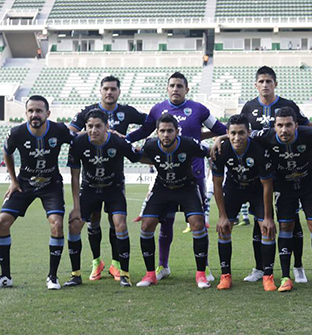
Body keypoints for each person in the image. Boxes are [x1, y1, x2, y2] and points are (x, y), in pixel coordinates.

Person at [127, 72, 226, 281]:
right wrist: (123, 139)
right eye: (172, 85)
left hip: (194, 175)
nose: (175, 89)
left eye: (180, 86)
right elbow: (144, 132)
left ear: (186, 89)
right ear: (167, 88)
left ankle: (204, 268)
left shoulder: (199, 109)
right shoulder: (157, 110)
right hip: (166, 176)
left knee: (199, 223)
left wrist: (216, 138)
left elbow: (220, 129)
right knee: (166, 223)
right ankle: (163, 266)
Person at [68, 75, 146, 282]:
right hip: (90, 186)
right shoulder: (87, 114)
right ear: (100, 91)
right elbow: (69, 133)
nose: (109, 92)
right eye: (106, 89)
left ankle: (119, 267)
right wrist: (87, 137)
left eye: (113, 89)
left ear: (119, 91)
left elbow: (149, 125)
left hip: (114, 184)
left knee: (117, 223)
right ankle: (95, 263)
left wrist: (129, 138)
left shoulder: (126, 114)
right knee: (90, 222)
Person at [240, 66, 311, 284]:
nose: (265, 85)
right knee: (259, 219)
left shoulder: (288, 106)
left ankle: (298, 267)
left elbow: (307, 130)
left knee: (291, 221)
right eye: (261, 81)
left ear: (275, 84)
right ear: (255, 84)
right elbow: (239, 133)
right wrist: (219, 140)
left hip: (286, 172)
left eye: (268, 81)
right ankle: (260, 268)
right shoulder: (249, 107)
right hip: (258, 173)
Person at [250, 106, 312, 292]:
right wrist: (221, 140)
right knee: (285, 227)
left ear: (296, 125)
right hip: (284, 188)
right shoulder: (264, 135)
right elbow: (241, 136)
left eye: (289, 125)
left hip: (309, 186)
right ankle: (286, 278)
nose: (284, 129)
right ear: (274, 126)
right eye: (280, 125)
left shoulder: (309, 134)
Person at [0, 95, 76, 290]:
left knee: (57, 225)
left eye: (39, 111)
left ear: (47, 113)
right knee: (2, 222)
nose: (35, 114)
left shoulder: (58, 130)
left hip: (51, 184)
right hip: (24, 183)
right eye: (31, 111)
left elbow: (78, 140)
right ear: (26, 113)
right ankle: (5, 276)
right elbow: (7, 153)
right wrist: (14, 180)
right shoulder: (17, 133)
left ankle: (52, 277)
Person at [136, 114, 211, 289]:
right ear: (157, 132)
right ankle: (150, 274)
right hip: (162, 188)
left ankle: (201, 274)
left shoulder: (188, 143)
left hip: (187, 187)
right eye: (162, 131)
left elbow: (209, 152)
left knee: (197, 224)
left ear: (177, 131)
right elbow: (139, 156)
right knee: (146, 225)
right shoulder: (151, 145)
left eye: (170, 131)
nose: (166, 134)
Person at [211, 114, 277, 291]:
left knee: (267, 228)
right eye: (233, 133)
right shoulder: (221, 150)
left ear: (249, 132)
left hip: (257, 189)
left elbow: (267, 185)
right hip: (233, 189)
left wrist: (268, 217)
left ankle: (268, 275)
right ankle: (225, 275)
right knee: (224, 228)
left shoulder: (259, 150)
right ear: (227, 133)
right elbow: (217, 185)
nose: (237, 137)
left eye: (241, 133)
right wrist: (222, 216)